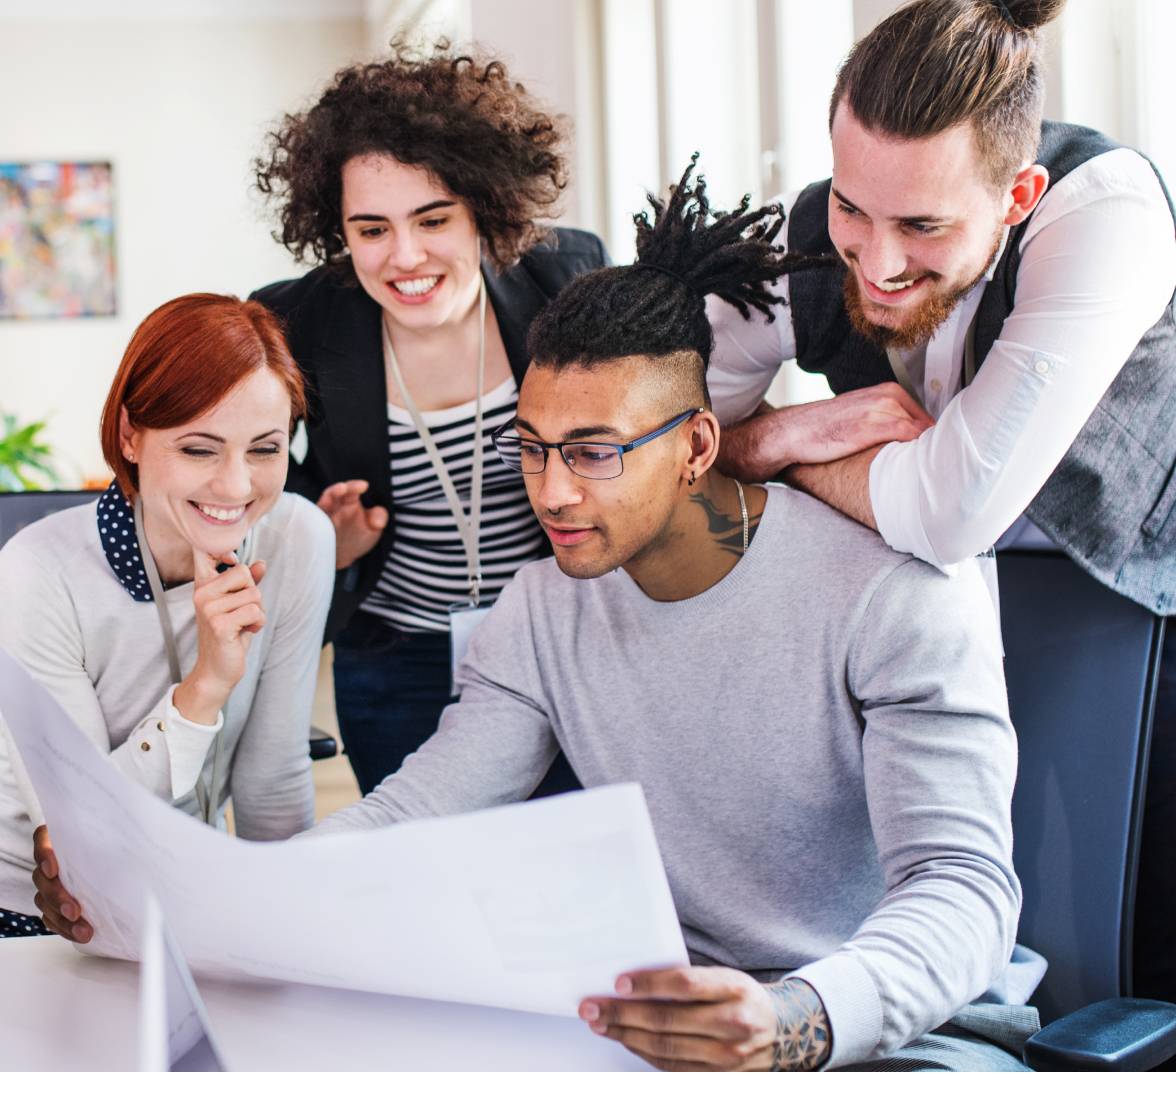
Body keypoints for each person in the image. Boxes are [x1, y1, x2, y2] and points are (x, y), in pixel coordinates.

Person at [23, 165, 1035, 1067]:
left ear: (696, 446)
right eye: (533, 447)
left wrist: (795, 1017)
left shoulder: (892, 589)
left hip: (893, 1034)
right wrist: (181, 894)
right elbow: (411, 816)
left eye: (594, 451)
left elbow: (963, 891)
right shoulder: (547, 608)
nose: (552, 491)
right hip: (653, 1031)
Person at [706, 0, 1176, 1001]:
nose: (874, 264)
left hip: (1139, 609)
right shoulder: (813, 239)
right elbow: (669, 434)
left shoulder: (1105, 212)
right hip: (932, 625)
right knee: (947, 930)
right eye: (850, 207)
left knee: (1128, 958)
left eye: (923, 224)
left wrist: (774, 456)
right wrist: (770, 433)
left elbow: (950, 508)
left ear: (1018, 196)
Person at [251, 41, 609, 796]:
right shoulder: (297, 320)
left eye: (433, 218)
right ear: (339, 230)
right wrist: (320, 538)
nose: (404, 257)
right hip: (394, 655)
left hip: (566, 640)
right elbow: (247, 481)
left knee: (563, 859)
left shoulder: (567, 280)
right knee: (422, 877)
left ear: (484, 205)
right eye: (373, 229)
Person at [0, 294, 335, 940]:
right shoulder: (37, 573)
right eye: (200, 450)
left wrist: (296, 934)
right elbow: (81, 836)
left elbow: (273, 783)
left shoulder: (296, 538)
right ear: (131, 436)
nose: (236, 488)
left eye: (264, 450)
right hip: (40, 912)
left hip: (192, 891)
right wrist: (205, 688)